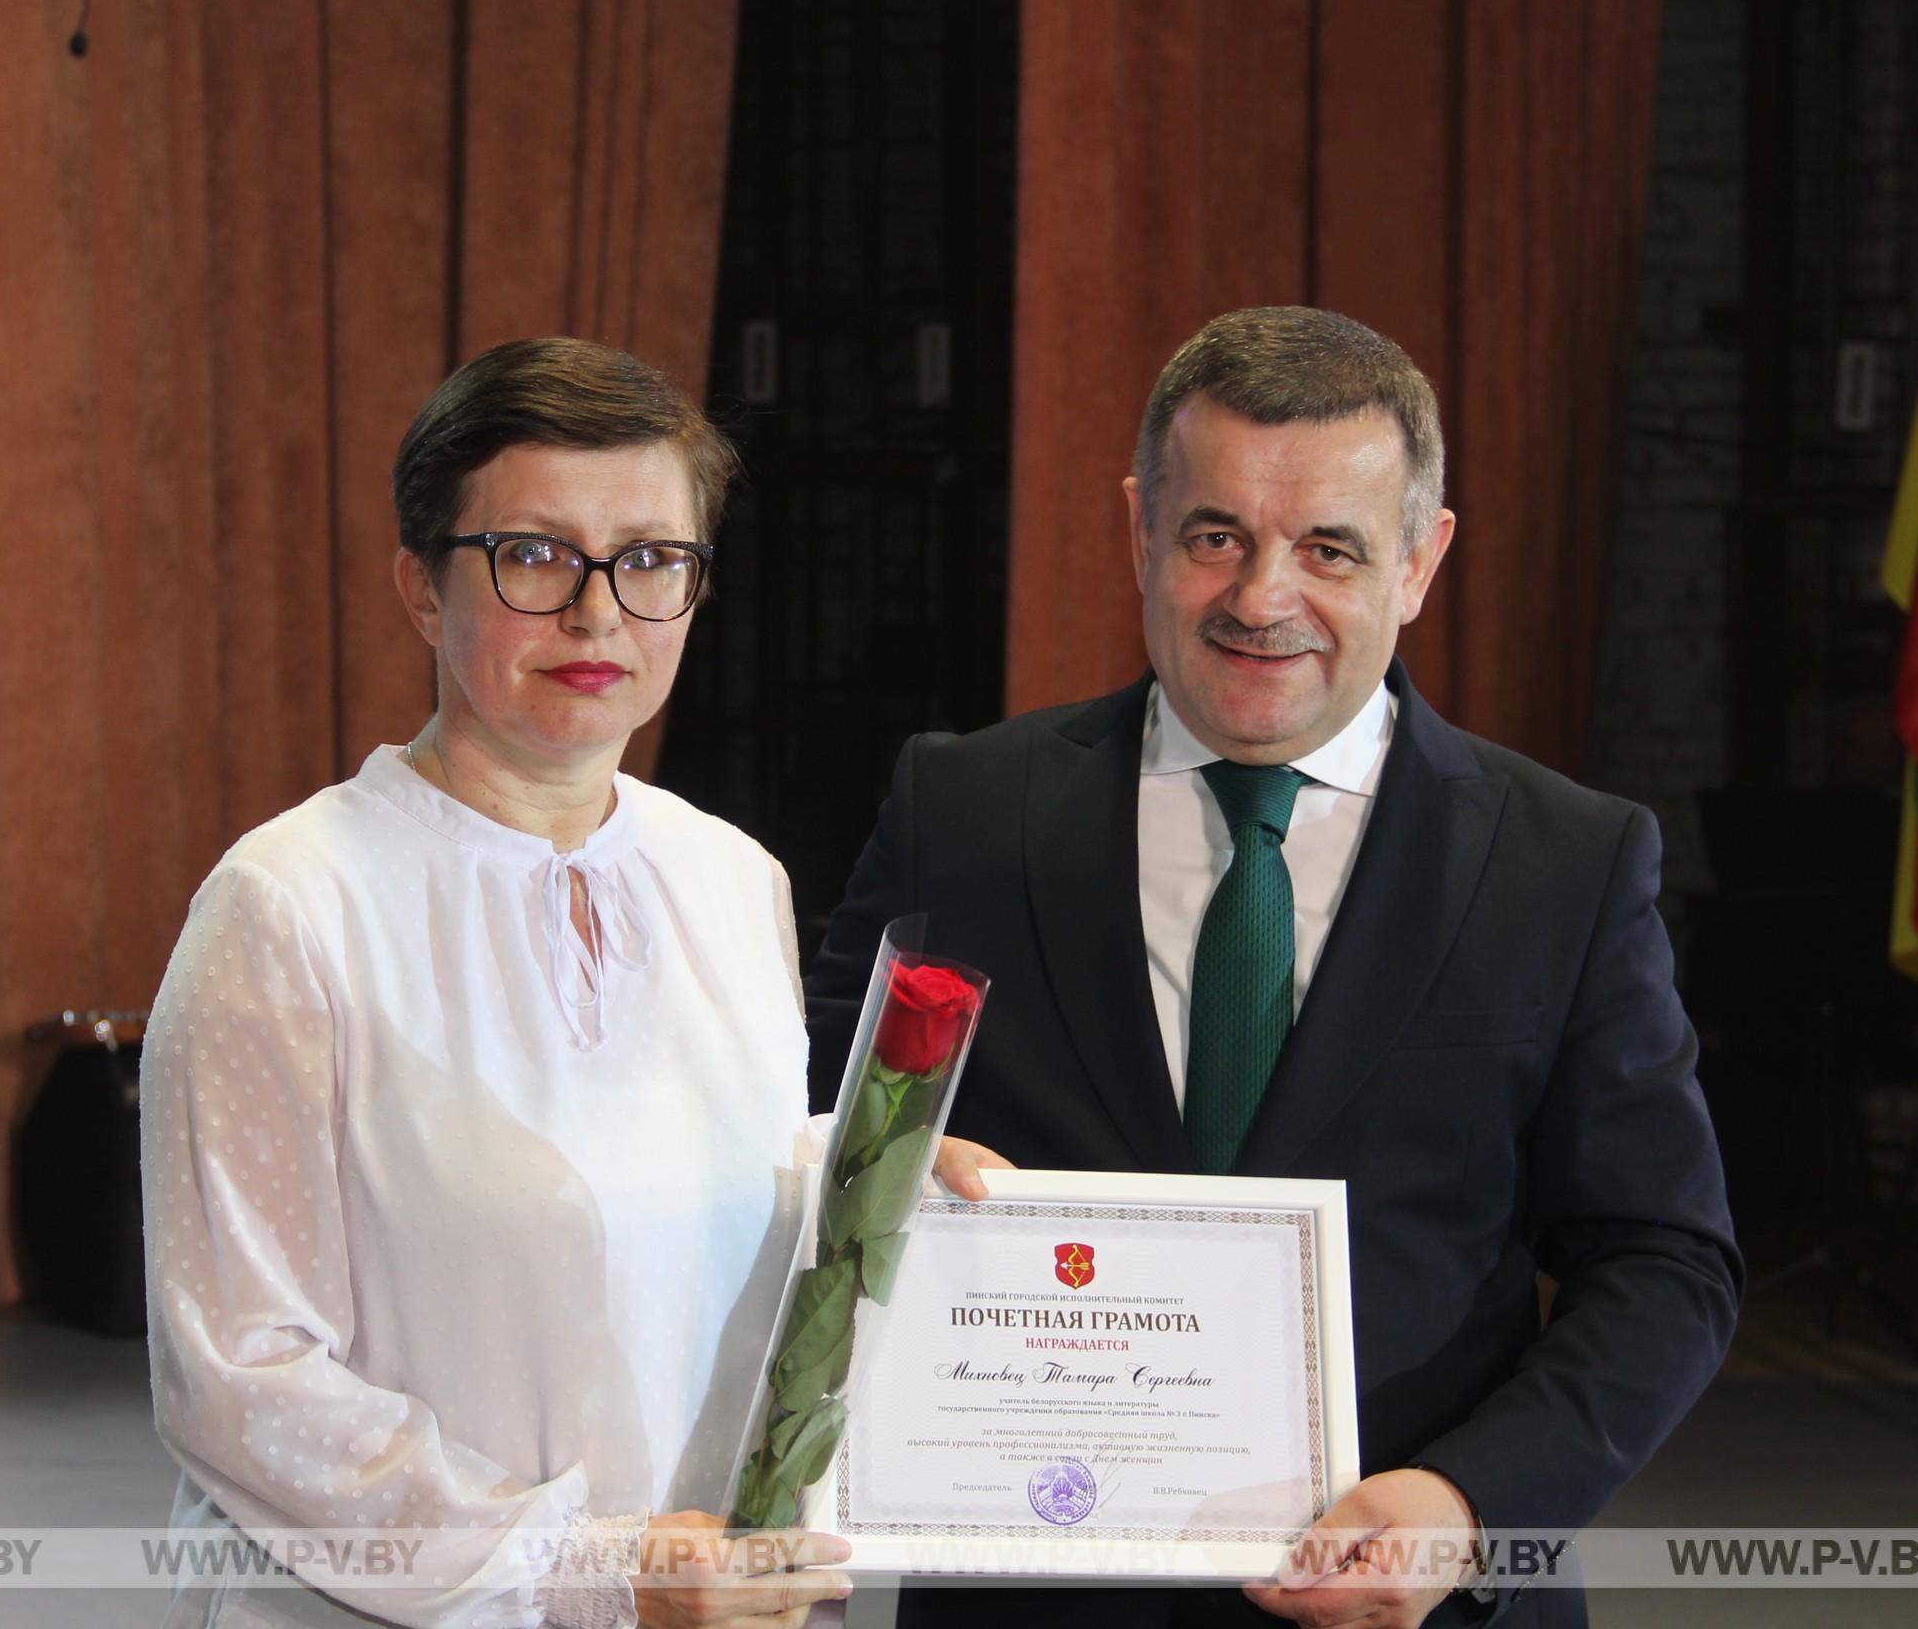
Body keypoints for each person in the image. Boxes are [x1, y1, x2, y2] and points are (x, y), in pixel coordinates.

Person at [808, 307, 1742, 1629]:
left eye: (1330, 549)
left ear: (1422, 561)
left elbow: (1666, 1262)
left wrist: (1469, 1508)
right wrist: (873, 1160)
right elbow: (805, 1136)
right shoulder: (961, 811)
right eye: (1215, 537)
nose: (1263, 598)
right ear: (1141, 529)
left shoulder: (1567, 864)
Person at [142, 338, 1001, 1629]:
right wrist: (586, 1574)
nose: (600, 613)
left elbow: (667, 1195)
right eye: (535, 556)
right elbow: (243, 1380)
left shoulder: (731, 881)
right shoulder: (286, 909)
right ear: (423, 591)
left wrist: (875, 1175)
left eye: (651, 560)